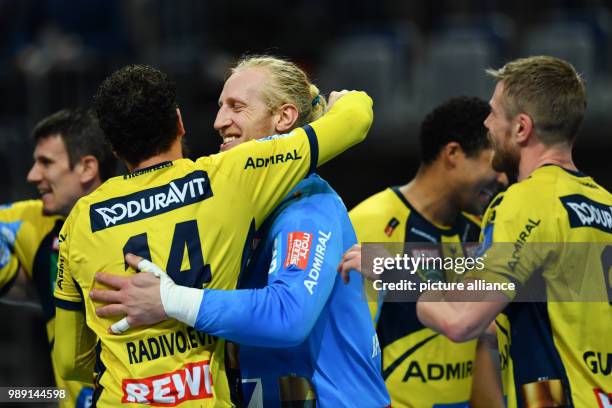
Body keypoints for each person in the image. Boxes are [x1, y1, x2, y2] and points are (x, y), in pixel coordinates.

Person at [53, 63, 373, 407]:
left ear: (284, 118)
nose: (219, 121)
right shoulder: (224, 198)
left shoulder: (309, 207)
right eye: (220, 106)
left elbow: (289, 316)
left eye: (236, 107)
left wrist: (171, 301)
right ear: (178, 122)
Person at [415, 56, 611, 407]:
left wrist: (425, 300)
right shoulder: (605, 204)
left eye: (493, 113)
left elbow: (463, 321)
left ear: (521, 128)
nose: (486, 124)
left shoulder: (523, 203)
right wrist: (386, 262)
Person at [338, 96, 508, 408]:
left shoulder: (479, 231)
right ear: (453, 153)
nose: (502, 178)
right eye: (493, 164)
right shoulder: (370, 223)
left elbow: (482, 336)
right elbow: (345, 350)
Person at [0, 109, 115, 408]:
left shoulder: (149, 221)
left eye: (46, 163)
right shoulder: (36, 224)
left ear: (87, 168)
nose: (32, 175)